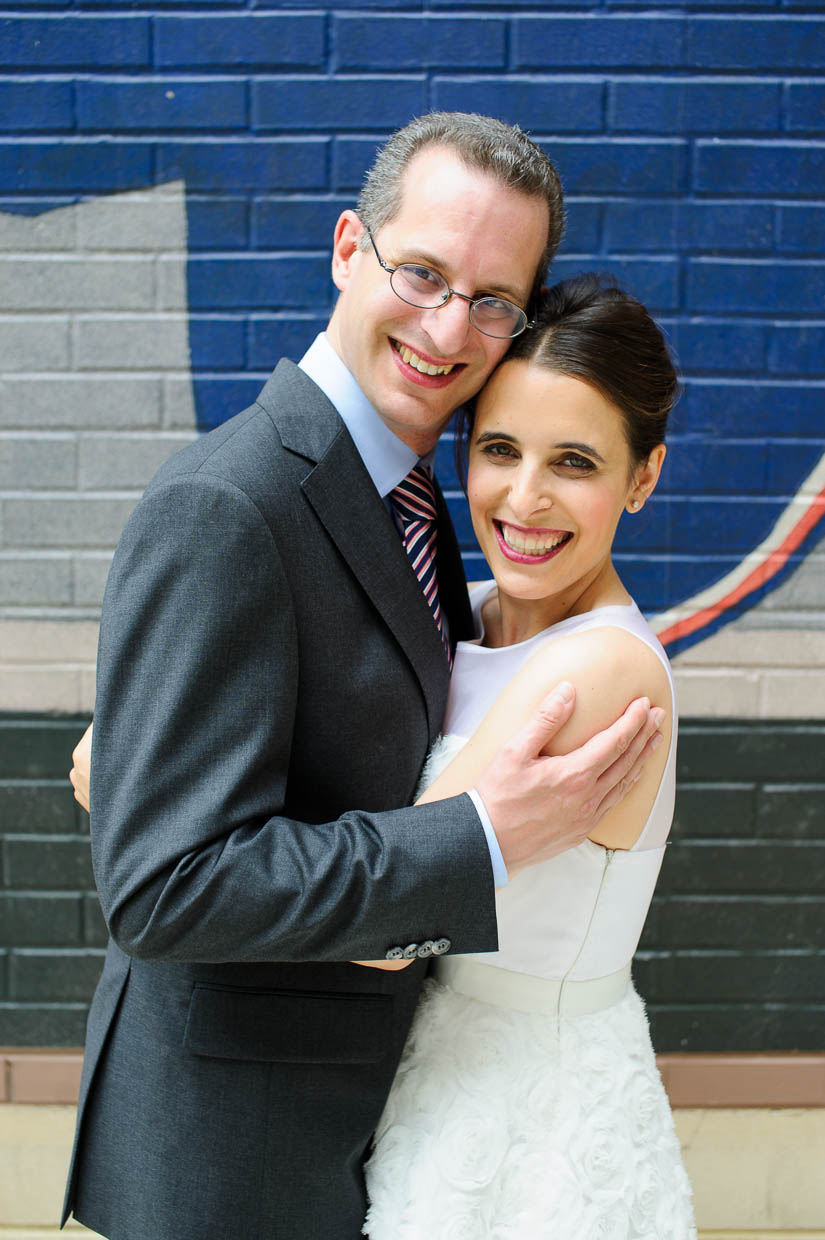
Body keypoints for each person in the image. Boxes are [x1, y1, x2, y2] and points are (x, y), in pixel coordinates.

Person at [63, 113, 664, 1240]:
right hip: (231, 1148)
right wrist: (482, 837)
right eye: (423, 272)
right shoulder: (229, 504)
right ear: (349, 250)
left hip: (378, 1131)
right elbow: (160, 887)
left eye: (495, 299)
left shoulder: (420, 505)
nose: (450, 325)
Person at [362, 274, 696, 1238]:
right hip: (437, 1071)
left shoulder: (599, 668)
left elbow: (383, 924)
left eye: (576, 463)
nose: (524, 498)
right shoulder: (462, 613)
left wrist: (165, 799)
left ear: (643, 477)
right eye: (500, 449)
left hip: (529, 1117)